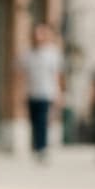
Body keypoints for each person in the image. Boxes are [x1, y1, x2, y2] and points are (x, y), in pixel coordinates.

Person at [19, 23, 64, 161]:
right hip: (32, 92)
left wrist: (58, 93)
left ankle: (42, 148)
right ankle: (37, 146)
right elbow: (22, 73)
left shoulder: (52, 53)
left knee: (42, 120)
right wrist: (22, 92)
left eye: (41, 34)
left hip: (46, 92)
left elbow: (57, 74)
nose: (38, 36)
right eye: (36, 34)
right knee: (34, 121)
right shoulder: (29, 53)